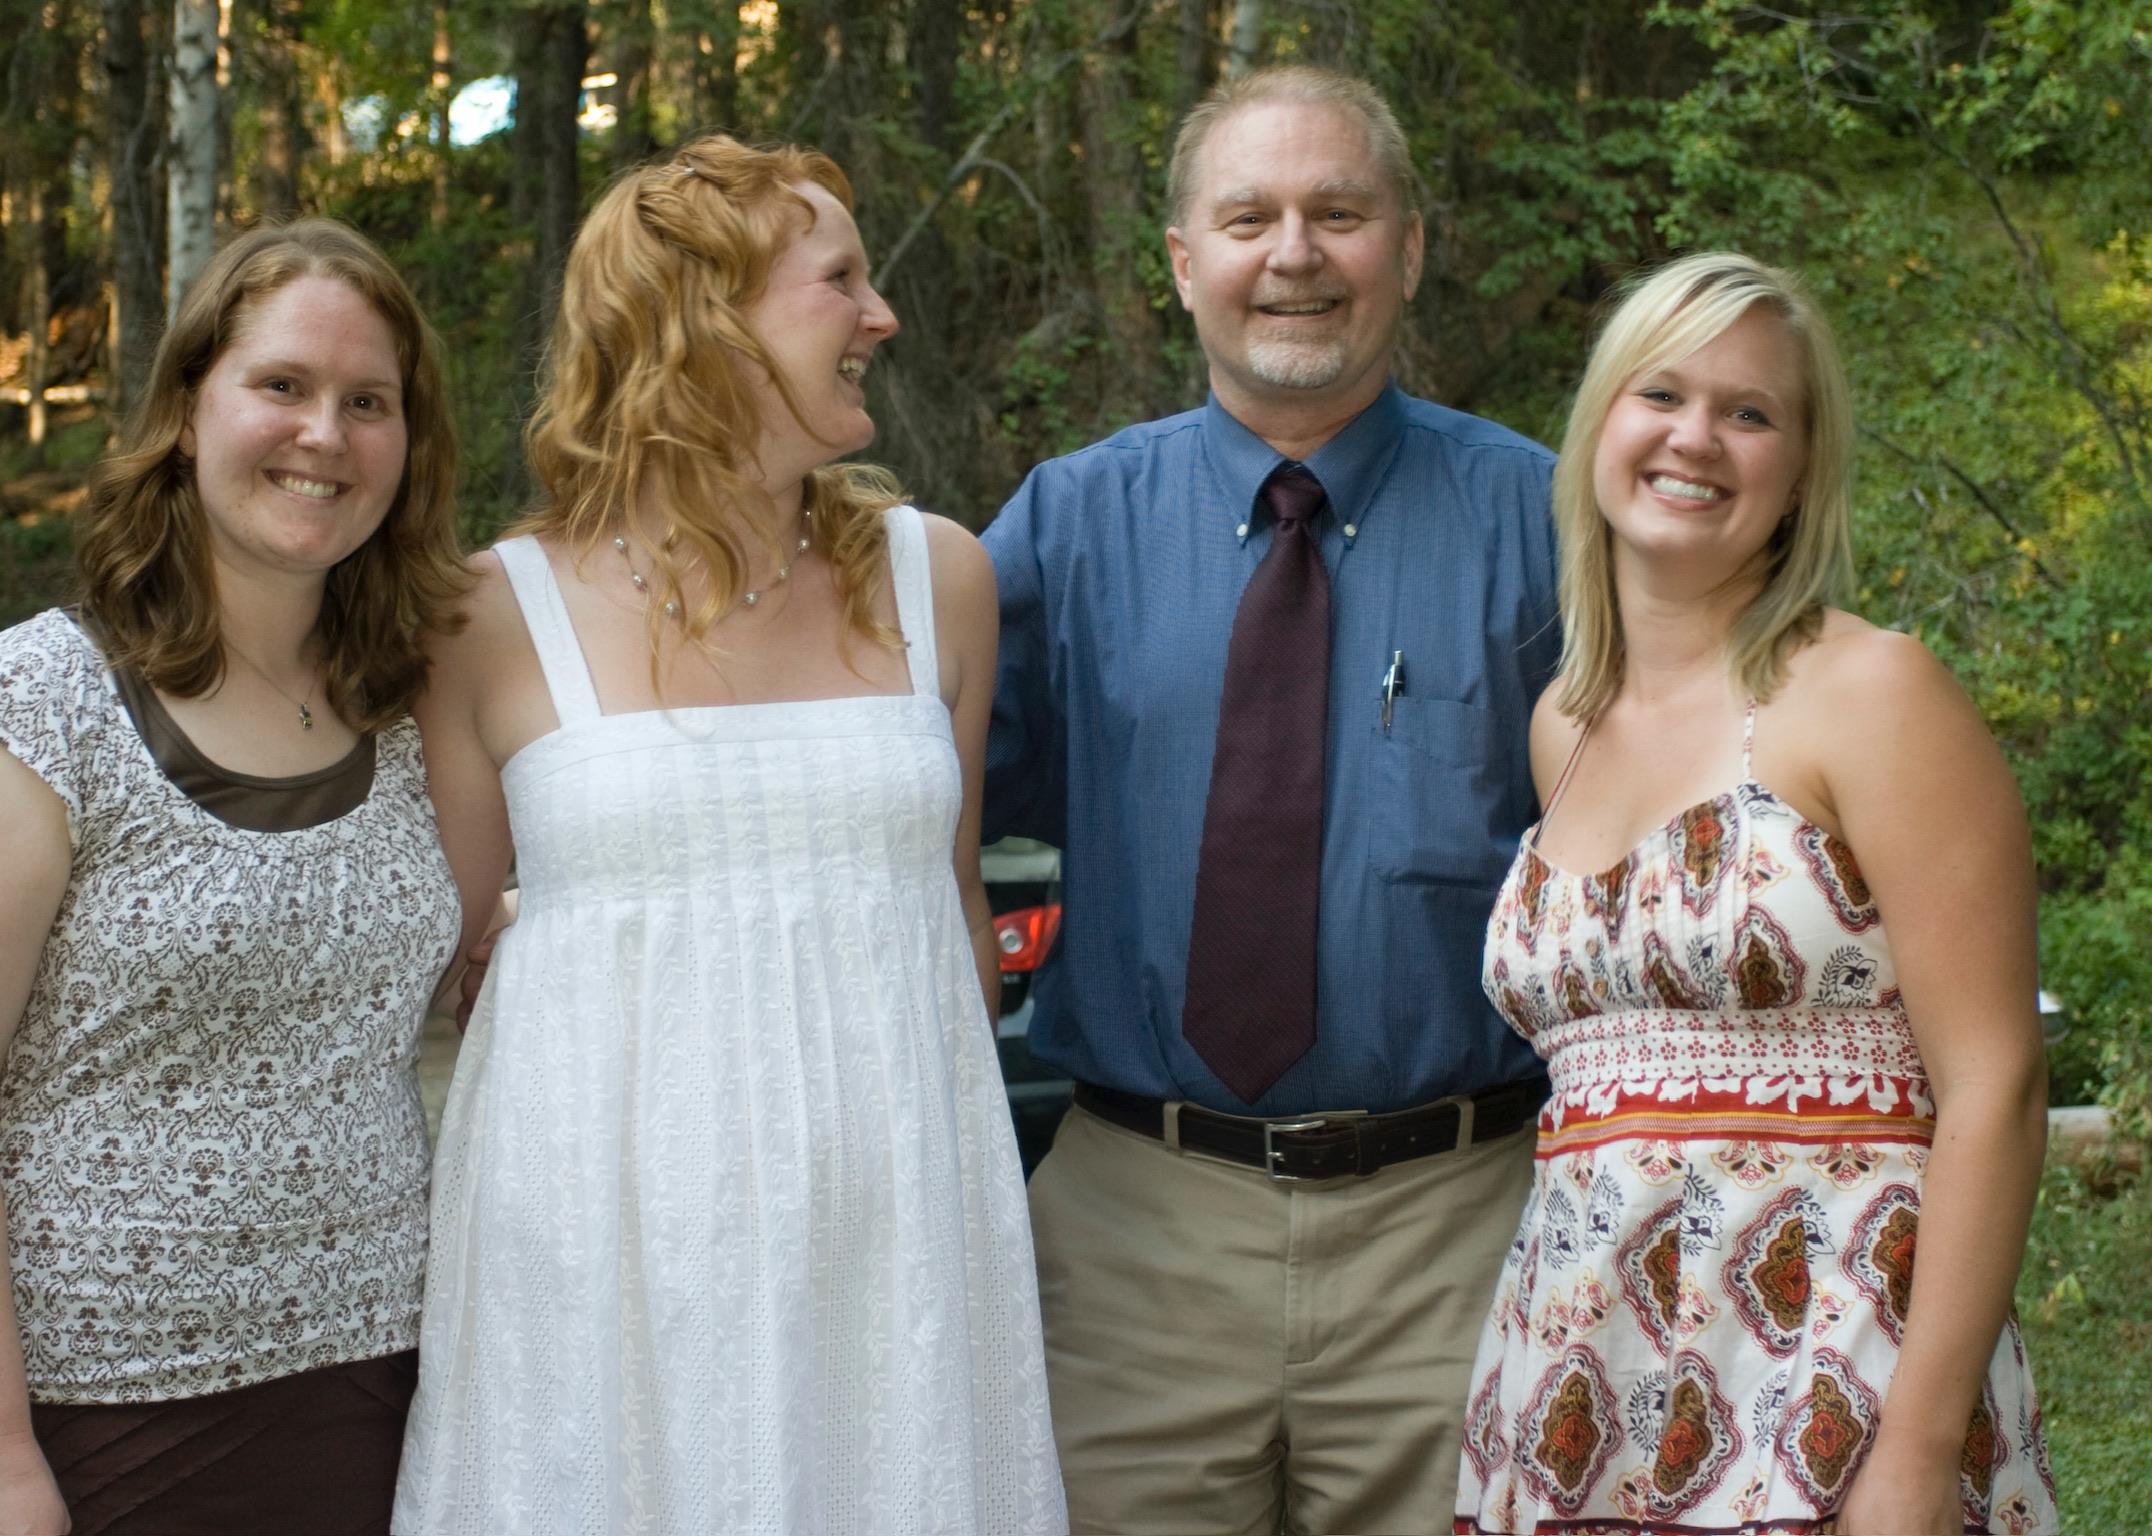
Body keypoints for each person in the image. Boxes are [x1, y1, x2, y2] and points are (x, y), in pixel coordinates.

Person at [395, 134, 1064, 1535]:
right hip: (605, 1271)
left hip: (895, 1258)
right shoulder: (482, 617)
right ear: (705, 325)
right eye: (841, 282)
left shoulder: (937, 579)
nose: (883, 318)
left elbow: (954, 929)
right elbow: (433, 968)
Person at [982, 66, 1560, 1534]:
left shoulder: (1548, 530)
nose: (1293, 253)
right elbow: (885, 794)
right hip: (1134, 1243)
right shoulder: (1063, 530)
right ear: (1185, 262)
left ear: (1409, 248)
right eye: (1248, 217)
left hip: (1461, 1227)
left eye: (1339, 213)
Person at [1454, 252, 2058, 1534]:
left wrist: (1915, 1449)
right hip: (1580, 1364)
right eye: (1660, 394)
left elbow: (1997, 1083)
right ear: (1600, 423)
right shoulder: (1563, 725)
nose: (1696, 440)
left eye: (1749, 413)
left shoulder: (1871, 693)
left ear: (1800, 467)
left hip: (1833, 1368)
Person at [0, 219, 466, 1535]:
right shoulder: (49, 698)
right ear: (189, 409)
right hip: (103, 1418)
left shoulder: (409, 714)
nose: (325, 434)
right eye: (282, 386)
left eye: (368, 403)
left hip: (382, 1391)